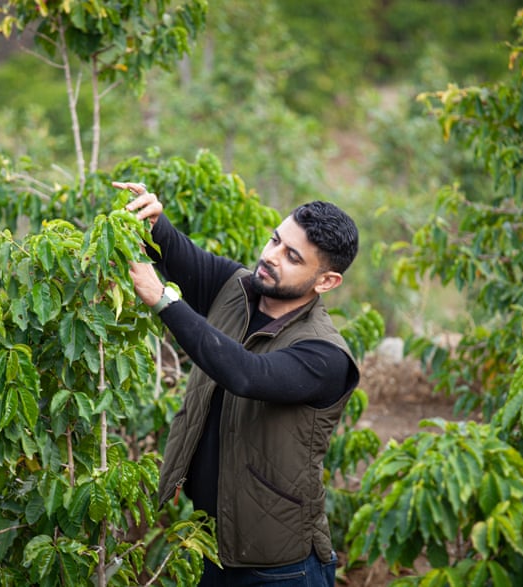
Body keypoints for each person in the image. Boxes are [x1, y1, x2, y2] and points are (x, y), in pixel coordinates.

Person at [114, 181, 360, 586]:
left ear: (326, 282)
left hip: (280, 568)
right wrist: (154, 220)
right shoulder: (236, 287)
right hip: (212, 544)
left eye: (292, 256)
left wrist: (162, 299)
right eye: (275, 240)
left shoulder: (325, 355)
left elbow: (246, 374)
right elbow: (179, 252)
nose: (270, 256)